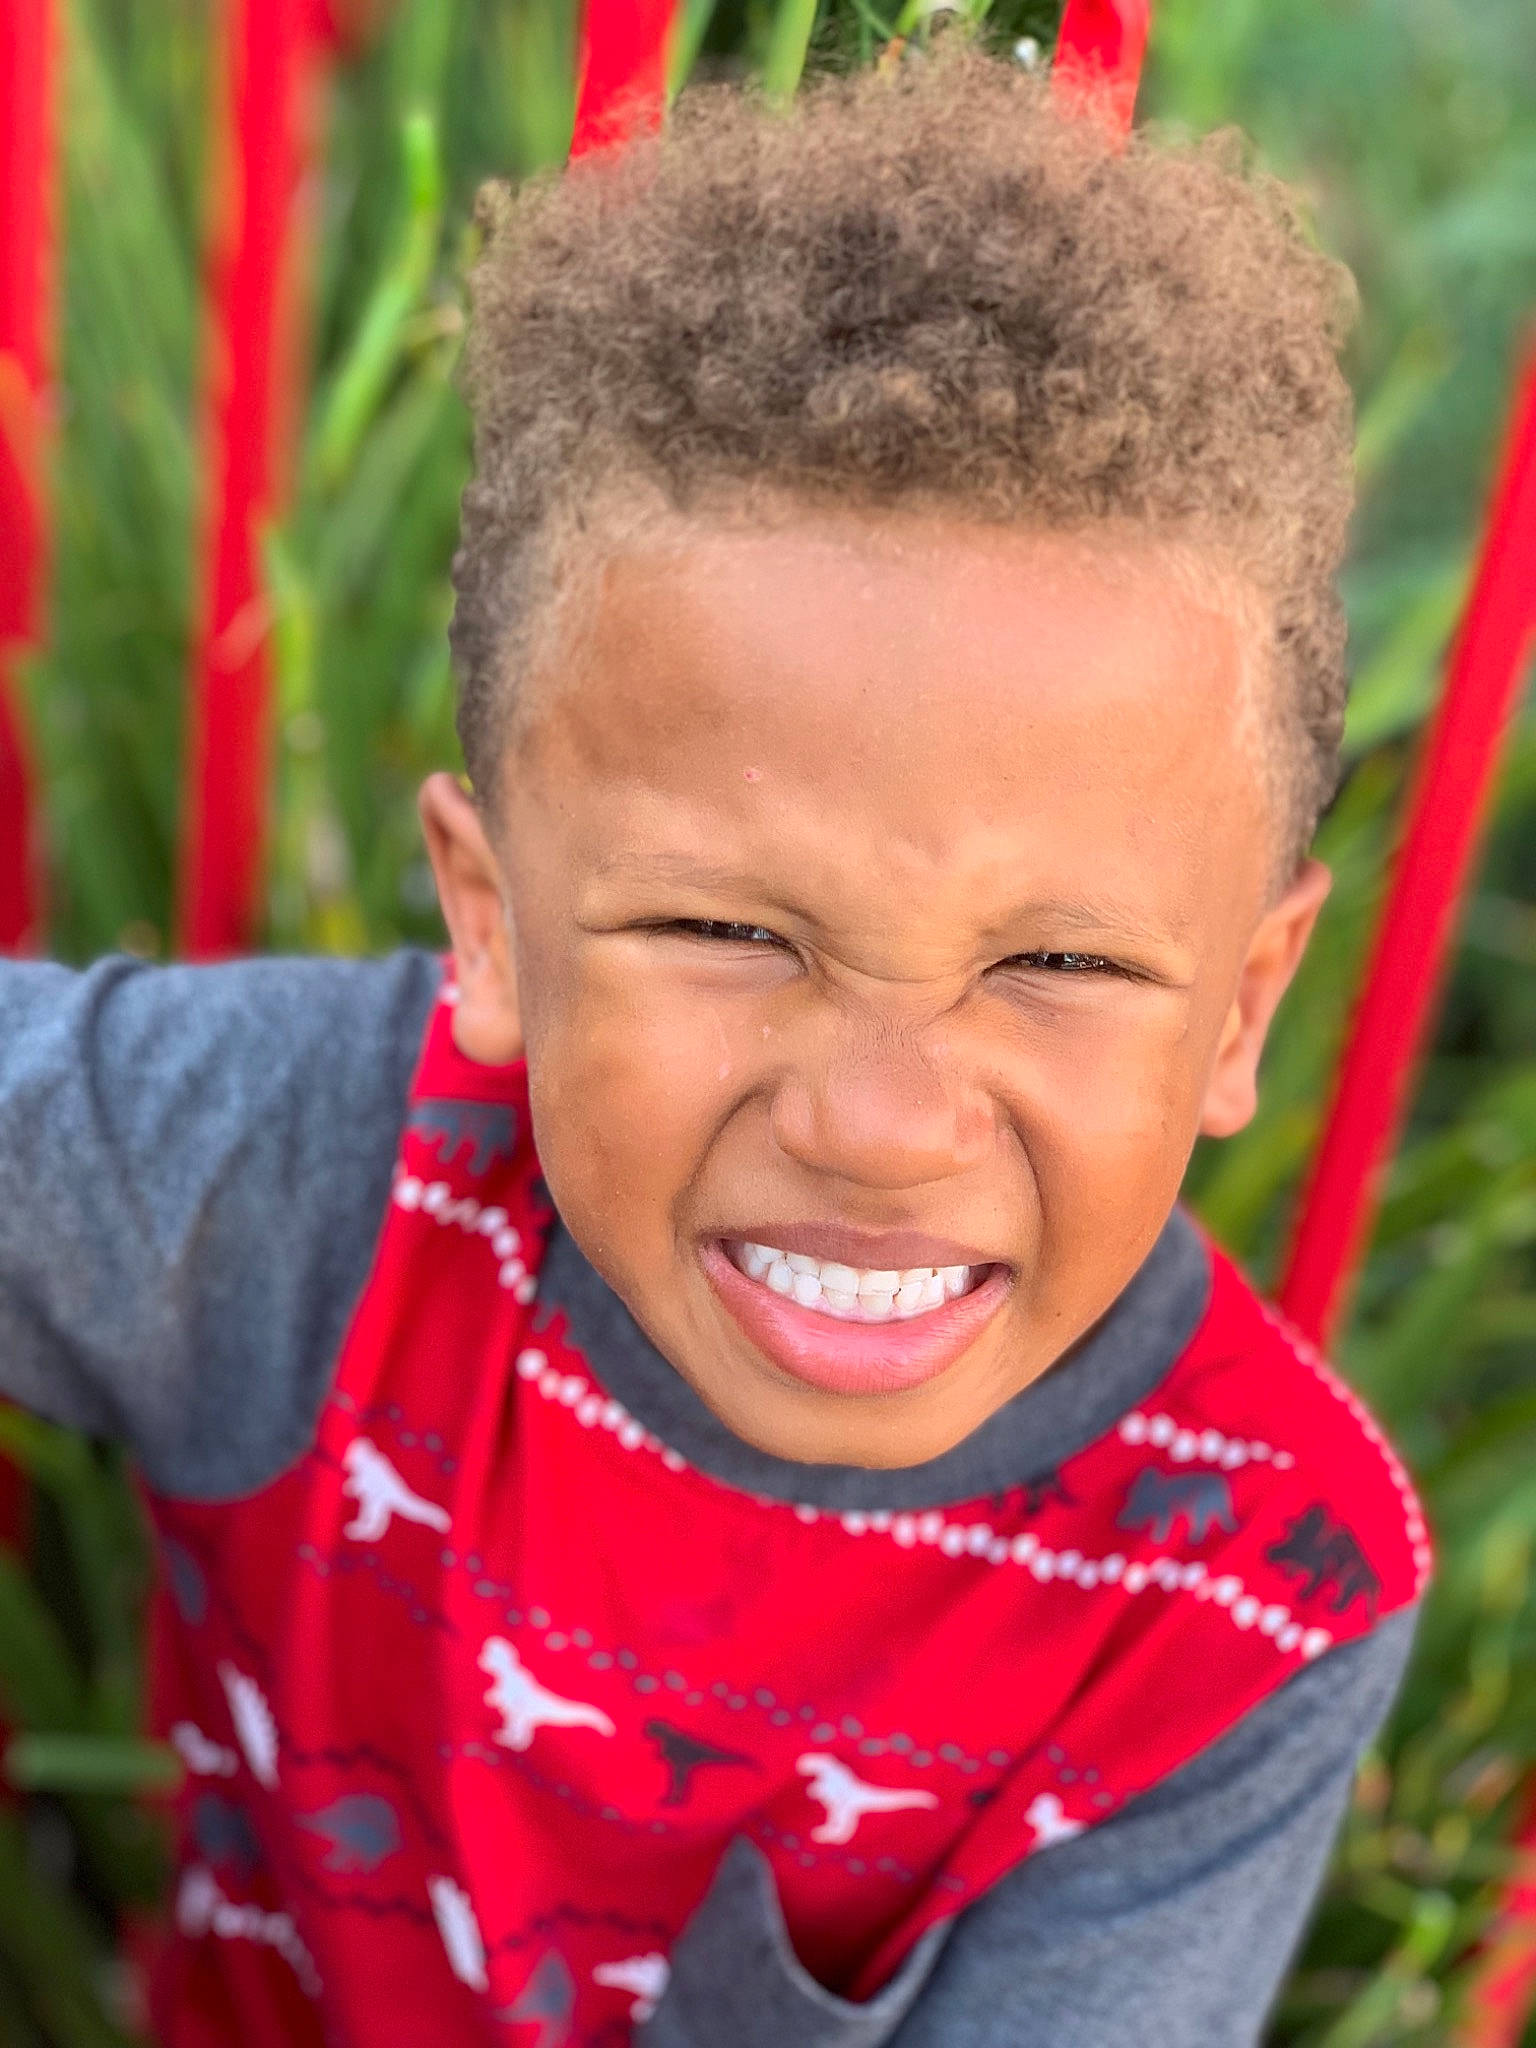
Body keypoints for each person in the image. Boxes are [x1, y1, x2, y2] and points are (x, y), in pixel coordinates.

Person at [0, 46, 1430, 2047]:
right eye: (728, 930)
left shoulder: (1256, 1590)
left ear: (1245, 1004)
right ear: (489, 923)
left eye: (1058, 963)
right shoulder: (322, 1185)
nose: (875, 1122)